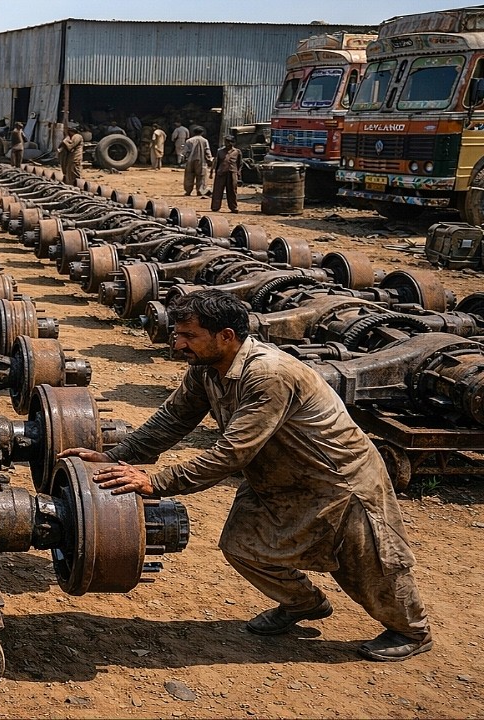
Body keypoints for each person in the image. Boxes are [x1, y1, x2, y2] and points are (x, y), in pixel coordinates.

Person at [60, 290, 432, 663]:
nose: (178, 342)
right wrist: (113, 456)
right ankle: (303, 603)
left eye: (189, 335)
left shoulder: (269, 374)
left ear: (225, 335)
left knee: (367, 564)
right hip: (275, 476)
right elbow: (173, 419)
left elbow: (233, 452)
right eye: (178, 333)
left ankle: (411, 631)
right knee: (242, 545)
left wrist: (156, 482)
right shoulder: (207, 369)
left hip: (337, 479)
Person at [211, 134, 241, 212]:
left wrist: (238, 174)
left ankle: (233, 207)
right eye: (226, 142)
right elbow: (216, 162)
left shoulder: (237, 152)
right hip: (221, 173)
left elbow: (239, 164)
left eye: (229, 142)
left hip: (232, 173)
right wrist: (214, 172)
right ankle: (215, 207)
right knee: (218, 190)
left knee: (232, 191)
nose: (227, 144)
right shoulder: (220, 151)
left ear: (232, 143)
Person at [182, 127, 213, 197]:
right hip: (201, 161)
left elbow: (185, 152)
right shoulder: (205, 141)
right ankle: (200, 191)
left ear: (193, 133)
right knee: (201, 176)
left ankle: (188, 191)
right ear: (202, 133)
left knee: (189, 176)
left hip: (190, 161)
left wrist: (184, 159)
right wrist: (209, 160)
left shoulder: (189, 141)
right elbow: (207, 151)